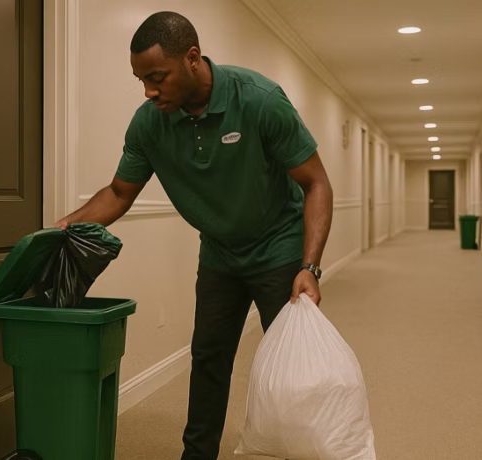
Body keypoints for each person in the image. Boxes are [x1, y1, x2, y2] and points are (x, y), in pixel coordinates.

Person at [55, 11, 334, 459]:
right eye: (140, 79)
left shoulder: (260, 101)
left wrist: (310, 266)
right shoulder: (148, 123)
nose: (148, 90)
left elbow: (316, 183)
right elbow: (119, 192)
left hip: (279, 247)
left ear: (192, 58)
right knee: (208, 359)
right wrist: (62, 228)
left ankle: (305, 451)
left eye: (156, 77)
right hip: (221, 254)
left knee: (293, 365)